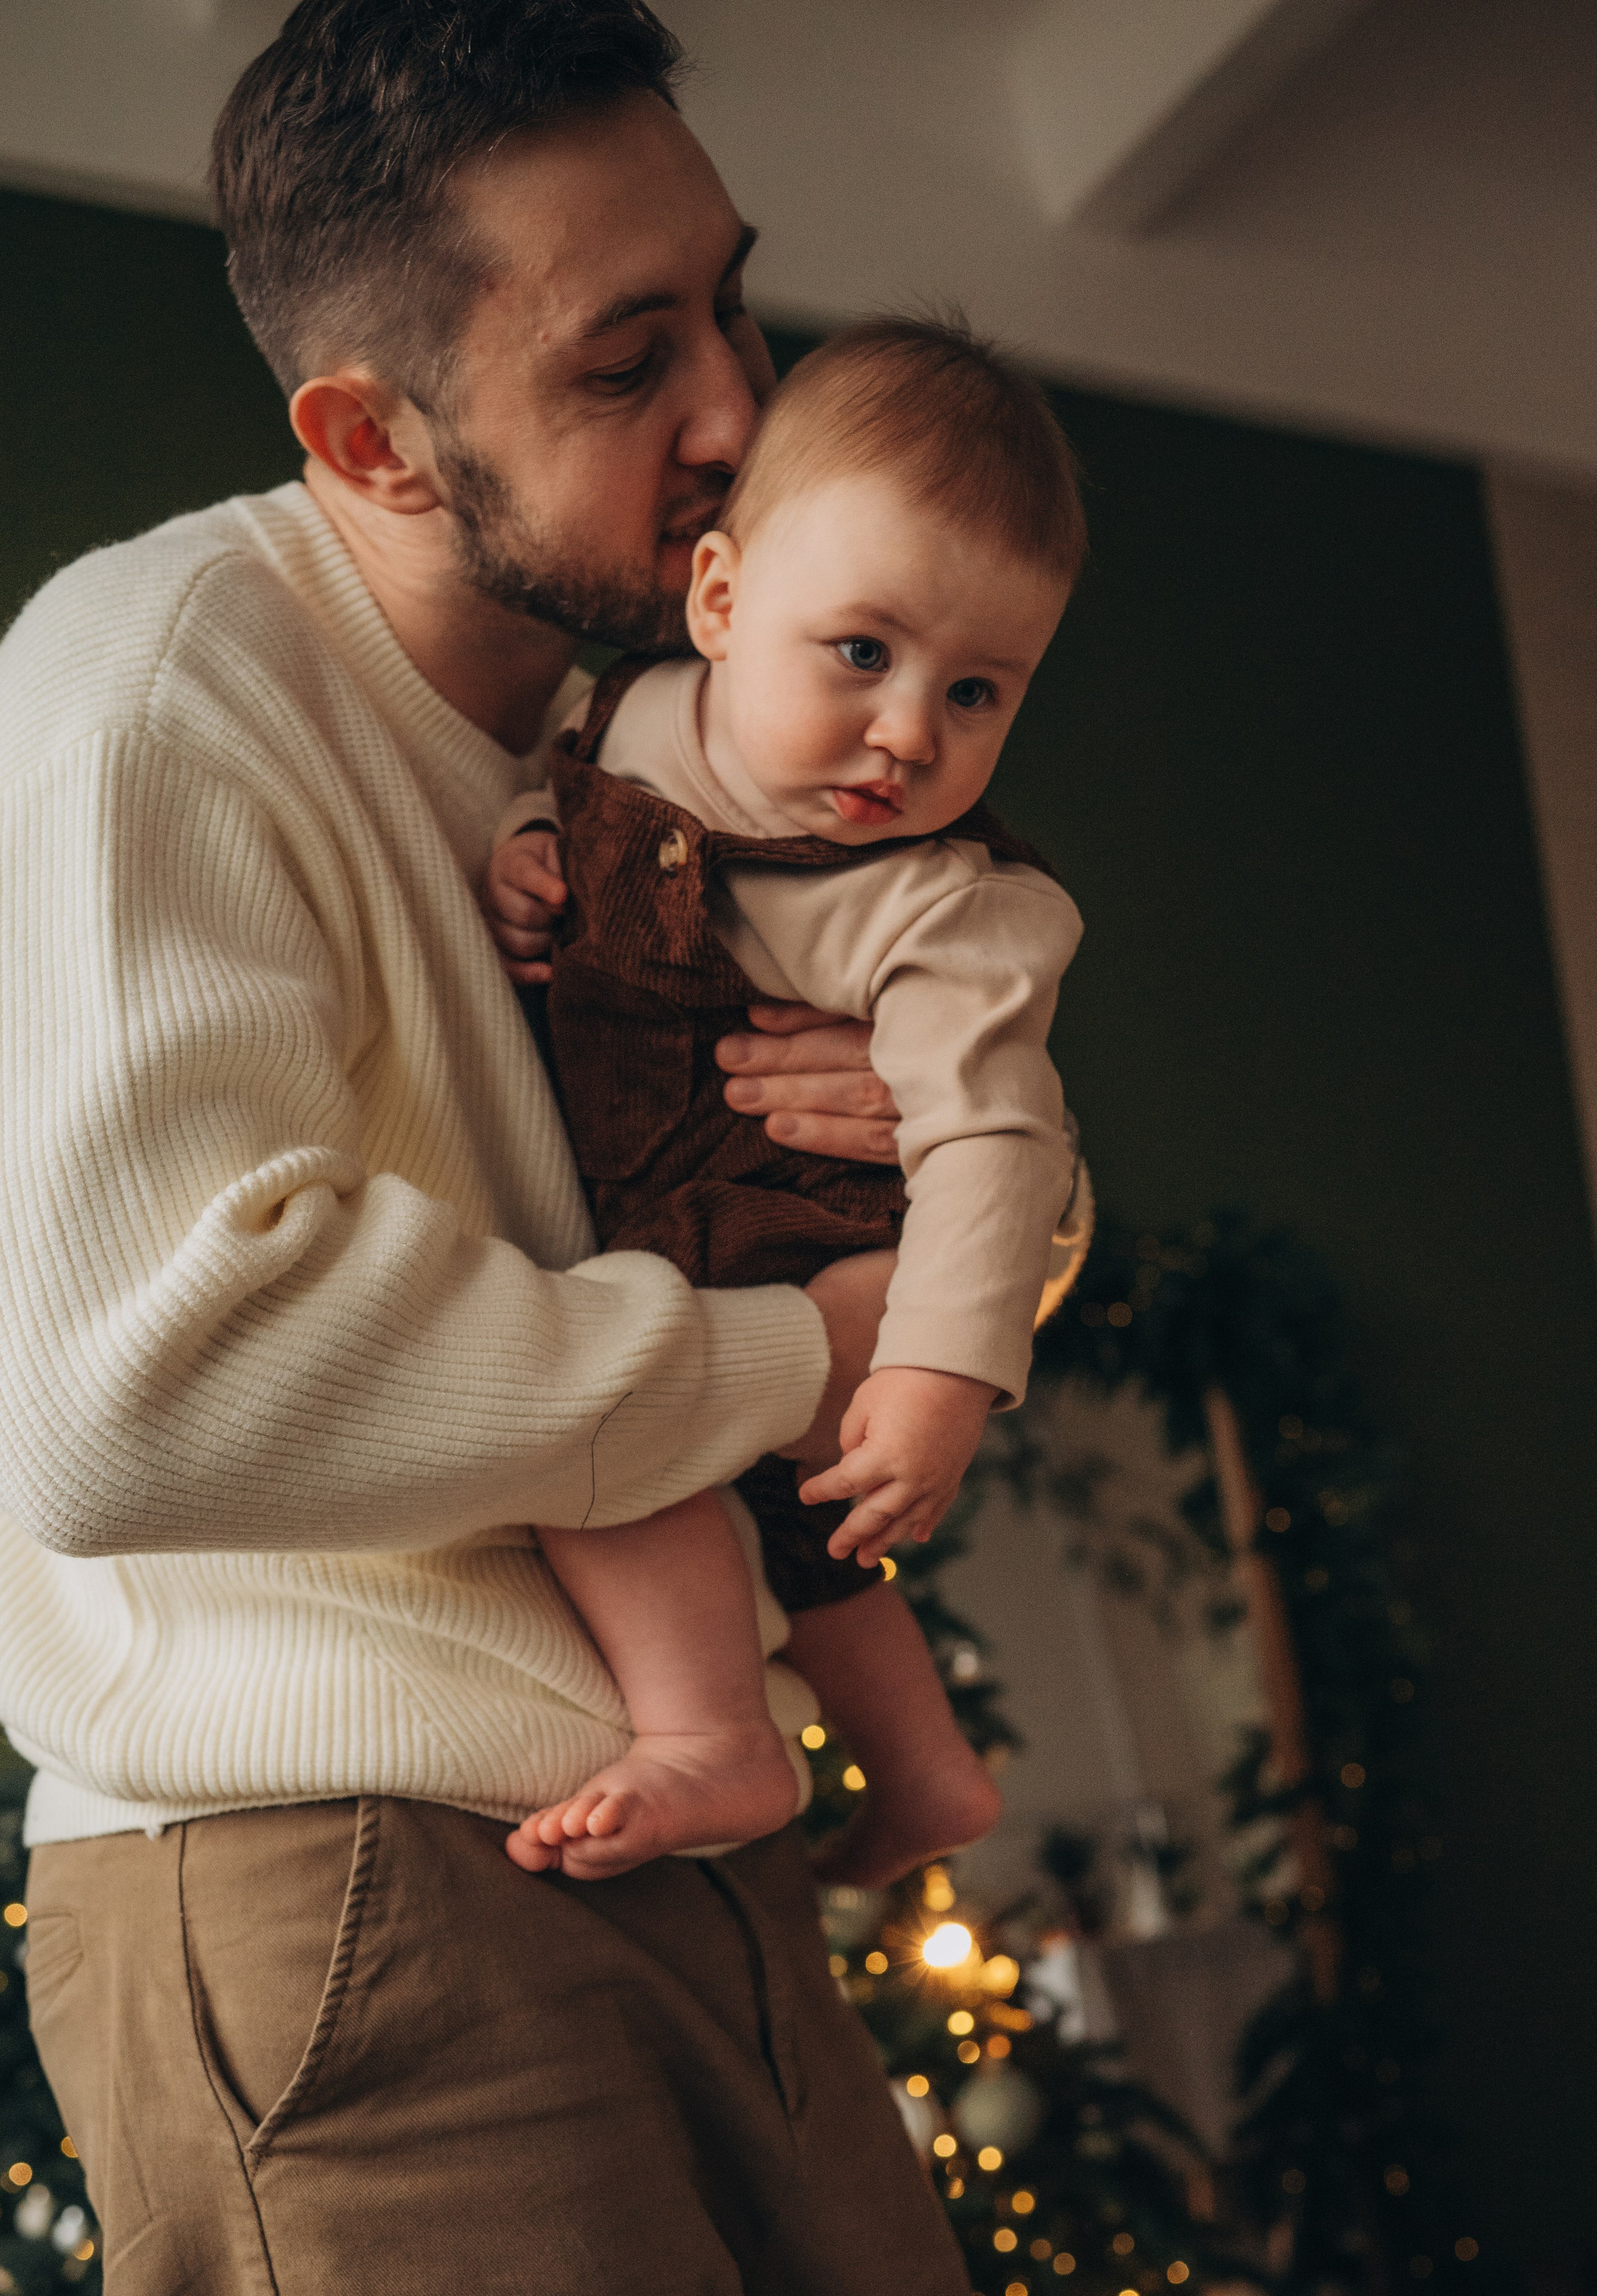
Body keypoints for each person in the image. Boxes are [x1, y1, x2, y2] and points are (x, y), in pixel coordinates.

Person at [0, 4, 986, 2289]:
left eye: (731, 297)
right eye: (627, 360)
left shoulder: (682, 723)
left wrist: (943, 1196)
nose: (745, 408)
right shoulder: (155, 690)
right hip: (349, 1879)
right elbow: (140, 1385)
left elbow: (967, 1141)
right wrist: (788, 1352)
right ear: (373, 436)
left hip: (690, 1836)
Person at [482, 318, 1090, 1888]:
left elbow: (994, 1138)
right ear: (723, 600)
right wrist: (525, 858)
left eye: (977, 691)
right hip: (680, 1221)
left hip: (822, 1255)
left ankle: (710, 1738)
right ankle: (928, 1768)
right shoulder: (623, 723)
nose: (908, 732)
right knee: (788, 1531)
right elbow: (563, 803)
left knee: (605, 1440)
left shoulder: (944, 911)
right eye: (863, 654)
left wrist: (945, 1368)